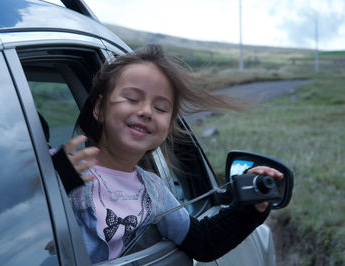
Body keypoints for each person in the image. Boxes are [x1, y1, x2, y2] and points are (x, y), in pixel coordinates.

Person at [51, 44, 283, 263]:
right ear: (100, 108)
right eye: (132, 99)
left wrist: (252, 205)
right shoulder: (57, 166)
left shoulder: (154, 191)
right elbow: (20, 215)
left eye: (160, 108)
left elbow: (204, 242)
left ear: (168, 128)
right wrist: (57, 181)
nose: (145, 111)